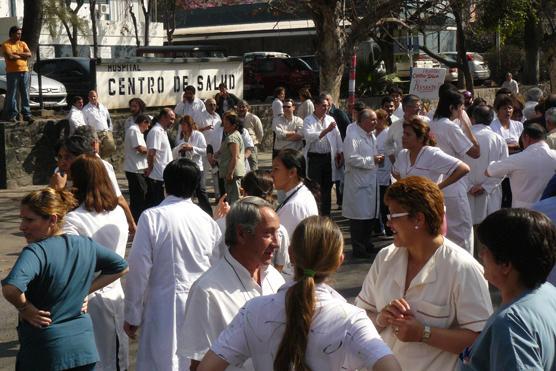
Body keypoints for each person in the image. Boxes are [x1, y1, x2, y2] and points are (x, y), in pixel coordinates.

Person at [197, 216, 402, 371]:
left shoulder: (253, 310)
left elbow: (206, 367)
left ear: (291, 254)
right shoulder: (351, 318)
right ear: (339, 261)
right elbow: (390, 367)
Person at [355, 176, 493, 371]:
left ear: (419, 219)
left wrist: (423, 333)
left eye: (394, 216)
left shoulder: (462, 268)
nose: (388, 224)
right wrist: (381, 318)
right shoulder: (385, 257)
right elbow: (360, 316)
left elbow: (480, 340)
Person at [1, 187, 128, 371]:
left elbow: (11, 288)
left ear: (52, 219)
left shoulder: (36, 252)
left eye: (29, 220)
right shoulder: (85, 244)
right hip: (83, 350)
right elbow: (121, 267)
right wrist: (85, 290)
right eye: (22, 219)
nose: (22, 226)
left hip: (45, 352)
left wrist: (25, 308)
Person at [124, 158, 222, 371]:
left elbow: (138, 269)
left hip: (164, 305)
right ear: (196, 186)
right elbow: (216, 267)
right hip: (199, 305)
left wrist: (132, 313)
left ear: (165, 184)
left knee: (164, 360)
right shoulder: (206, 221)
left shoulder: (152, 217)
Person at [179, 197, 286, 370]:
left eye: (277, 233)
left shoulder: (274, 278)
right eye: (268, 233)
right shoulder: (207, 291)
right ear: (242, 234)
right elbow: (198, 364)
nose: (277, 243)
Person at [460, 208, 556, 370]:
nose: (481, 254)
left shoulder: (511, 325)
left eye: (486, 249)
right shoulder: (548, 292)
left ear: (505, 265)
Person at [63, 154, 130, 371]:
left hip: (87, 296)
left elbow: (69, 263)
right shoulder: (118, 212)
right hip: (116, 294)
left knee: (96, 361)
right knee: (116, 358)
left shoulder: (73, 219)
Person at [50, 128, 137, 234]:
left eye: (68, 157)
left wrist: (131, 221)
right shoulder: (58, 173)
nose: (62, 162)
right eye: (59, 157)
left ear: (82, 158)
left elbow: (118, 198)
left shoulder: (99, 167)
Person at [212, 171, 291, 274]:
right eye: (267, 233)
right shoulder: (280, 230)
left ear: (244, 193)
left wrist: (215, 219)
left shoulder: (222, 224)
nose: (274, 242)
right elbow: (280, 264)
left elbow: (212, 258)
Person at [430, 88, 479, 253]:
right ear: (452, 108)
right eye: (461, 107)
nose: (463, 111)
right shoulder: (450, 127)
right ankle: (465, 275)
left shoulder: (431, 122)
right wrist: (466, 125)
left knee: (443, 233)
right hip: (454, 184)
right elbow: (475, 151)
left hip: (437, 183)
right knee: (463, 234)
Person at [342, 109, 382, 258]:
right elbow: (351, 158)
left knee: (369, 215)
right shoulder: (352, 137)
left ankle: (367, 243)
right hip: (358, 182)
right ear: (363, 121)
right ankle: (358, 247)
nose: (375, 123)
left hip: (370, 181)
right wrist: (372, 160)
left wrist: (376, 158)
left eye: (375, 120)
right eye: (372, 120)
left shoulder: (371, 136)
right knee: (358, 217)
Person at [486, 123, 556, 208]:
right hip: (550, 211)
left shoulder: (517, 159)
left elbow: (489, 171)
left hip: (523, 212)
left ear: (526, 137)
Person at [463, 105, 508, 226]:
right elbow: (503, 168)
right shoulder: (498, 139)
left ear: (473, 118)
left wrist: (469, 186)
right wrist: (485, 186)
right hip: (490, 193)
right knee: (490, 232)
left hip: (467, 192)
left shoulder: (462, 137)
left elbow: (455, 165)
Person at [302, 94, 343, 216]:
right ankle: (315, 215)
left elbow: (338, 137)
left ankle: (326, 216)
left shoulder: (330, 119)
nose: (326, 108)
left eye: (328, 105)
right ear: (316, 105)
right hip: (315, 159)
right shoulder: (308, 120)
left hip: (328, 158)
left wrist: (340, 153)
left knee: (327, 189)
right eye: (323, 105)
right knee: (315, 188)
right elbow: (309, 137)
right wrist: (326, 131)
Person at [272, 148, 319, 239]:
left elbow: (282, 244)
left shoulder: (294, 206)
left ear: (292, 172)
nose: (271, 174)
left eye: (276, 169)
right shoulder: (301, 193)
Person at [172, 115, 212, 216]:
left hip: (196, 166)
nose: (182, 127)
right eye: (181, 125)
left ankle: (208, 213)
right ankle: (190, 214)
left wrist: (192, 148)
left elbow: (204, 150)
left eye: (184, 124)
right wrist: (180, 149)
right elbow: (176, 149)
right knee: (187, 192)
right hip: (184, 167)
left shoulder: (198, 135)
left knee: (201, 190)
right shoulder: (180, 136)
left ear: (189, 125)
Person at [145, 107, 175, 207]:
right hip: (157, 177)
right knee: (158, 205)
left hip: (163, 175)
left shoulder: (162, 131)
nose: (173, 122)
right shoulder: (156, 131)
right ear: (163, 117)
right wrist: (150, 168)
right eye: (171, 118)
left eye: (174, 119)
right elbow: (152, 153)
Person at [1, 25, 32, 122]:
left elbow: (29, 54)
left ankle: (27, 114)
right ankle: (12, 115)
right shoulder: (6, 44)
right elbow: (10, 57)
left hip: (24, 71)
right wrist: (22, 55)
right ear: (12, 34)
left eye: (20, 34)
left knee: (25, 93)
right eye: (18, 33)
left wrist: (17, 54)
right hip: (12, 72)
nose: (19, 36)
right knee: (12, 94)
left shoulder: (22, 43)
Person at [384, 94, 426, 164]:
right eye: (416, 106)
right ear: (405, 108)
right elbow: (388, 144)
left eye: (419, 106)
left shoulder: (426, 122)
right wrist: (393, 160)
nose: (419, 108)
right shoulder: (395, 125)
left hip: (424, 166)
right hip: (402, 166)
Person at [124, 113, 149, 222]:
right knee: (140, 197)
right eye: (147, 125)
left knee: (137, 197)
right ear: (143, 122)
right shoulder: (134, 130)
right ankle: (137, 220)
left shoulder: (135, 130)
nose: (147, 128)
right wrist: (153, 152)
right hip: (134, 169)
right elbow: (140, 148)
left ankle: (135, 219)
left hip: (136, 168)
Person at [217, 112, 246, 204]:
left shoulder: (232, 137)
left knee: (234, 200)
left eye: (226, 124)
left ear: (233, 126)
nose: (224, 126)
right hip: (233, 173)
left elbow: (235, 156)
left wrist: (230, 173)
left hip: (232, 174)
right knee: (233, 198)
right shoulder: (234, 135)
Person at [198, 98, 224, 199]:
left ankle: (218, 196)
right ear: (206, 105)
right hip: (205, 149)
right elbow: (194, 130)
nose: (213, 107)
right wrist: (204, 128)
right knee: (204, 173)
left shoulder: (217, 116)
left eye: (214, 105)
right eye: (210, 105)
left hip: (216, 150)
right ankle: (203, 195)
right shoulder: (201, 116)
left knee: (216, 173)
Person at [375, 108, 393, 236]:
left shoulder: (388, 133)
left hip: (385, 172)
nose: (375, 122)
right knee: (375, 202)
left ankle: (389, 229)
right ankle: (377, 228)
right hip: (373, 172)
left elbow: (392, 153)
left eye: (377, 119)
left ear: (383, 120)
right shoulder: (372, 133)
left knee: (384, 203)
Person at [83, 90, 115, 158]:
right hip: (95, 134)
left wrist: (110, 130)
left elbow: (108, 119)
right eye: (91, 97)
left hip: (106, 132)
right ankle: (100, 162)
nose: (93, 98)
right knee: (96, 153)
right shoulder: (85, 109)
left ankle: (103, 160)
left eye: (94, 96)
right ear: (88, 98)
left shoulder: (103, 107)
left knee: (112, 147)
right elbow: (85, 124)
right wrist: (91, 135)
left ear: (97, 96)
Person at [237, 100, 264, 170]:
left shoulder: (253, 117)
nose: (241, 109)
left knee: (253, 166)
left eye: (243, 107)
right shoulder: (234, 118)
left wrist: (255, 143)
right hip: (238, 147)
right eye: (239, 107)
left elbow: (260, 132)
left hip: (251, 147)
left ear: (248, 107)